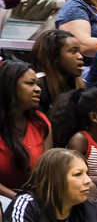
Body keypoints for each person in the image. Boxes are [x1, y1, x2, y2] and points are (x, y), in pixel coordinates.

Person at [0, 61, 51, 202]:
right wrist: (18, 199)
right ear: (10, 86)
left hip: (33, 199)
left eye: (37, 84)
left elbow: (47, 171)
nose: (38, 89)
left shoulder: (41, 122)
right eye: (30, 84)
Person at [29, 28, 84, 115]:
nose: (80, 57)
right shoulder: (37, 86)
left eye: (79, 52)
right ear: (54, 56)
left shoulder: (82, 86)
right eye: (73, 52)